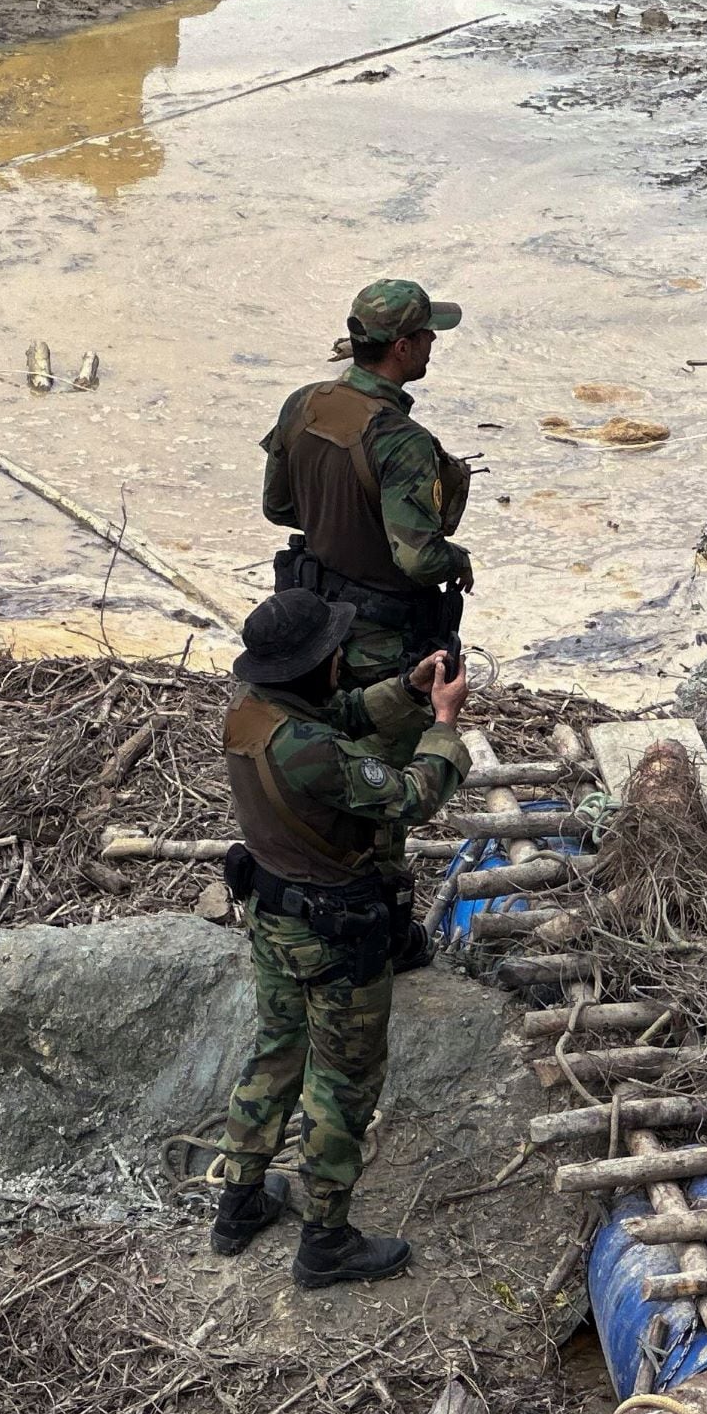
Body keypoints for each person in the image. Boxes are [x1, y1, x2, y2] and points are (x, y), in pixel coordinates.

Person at [211, 587, 470, 1286]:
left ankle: (238, 1201)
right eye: (335, 652)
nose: (342, 659)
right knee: (342, 1083)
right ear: (318, 663)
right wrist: (443, 724)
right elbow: (413, 793)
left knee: (276, 1050)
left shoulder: (250, 711)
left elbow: (337, 715)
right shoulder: (312, 751)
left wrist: (406, 692)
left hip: (274, 917)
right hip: (334, 933)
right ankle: (326, 1241)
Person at [260, 279, 477, 958]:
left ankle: (315, 893)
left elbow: (279, 509)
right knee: (383, 786)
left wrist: (337, 525)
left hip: (313, 628)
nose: (435, 343)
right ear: (404, 346)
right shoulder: (401, 440)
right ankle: (380, 930)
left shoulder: (305, 405)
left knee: (318, 765)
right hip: (383, 640)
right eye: (429, 335)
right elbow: (416, 559)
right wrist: (456, 550)